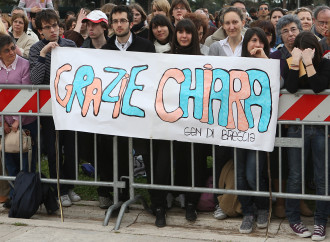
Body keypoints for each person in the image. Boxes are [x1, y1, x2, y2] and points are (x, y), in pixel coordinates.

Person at [101, 4, 155, 204]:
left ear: (131, 23)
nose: (119, 24)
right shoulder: (105, 49)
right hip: (115, 111)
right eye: (115, 21)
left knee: (146, 150)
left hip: (140, 109)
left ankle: (155, 196)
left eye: (123, 20)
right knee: (118, 150)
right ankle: (120, 194)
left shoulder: (146, 46)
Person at [29, 9, 80, 207]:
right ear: (40, 31)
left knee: (71, 148)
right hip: (49, 109)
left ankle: (69, 185)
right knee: (53, 149)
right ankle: (59, 188)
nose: (53, 30)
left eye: (55, 26)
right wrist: (44, 54)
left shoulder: (70, 45)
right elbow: (35, 79)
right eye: (48, 27)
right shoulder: (35, 49)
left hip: (69, 105)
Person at [284, 31, 330, 241]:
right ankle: (293, 218)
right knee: (295, 175)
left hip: (321, 130)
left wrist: (310, 64)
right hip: (296, 127)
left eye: (307, 51)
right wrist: (295, 63)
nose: (303, 55)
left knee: (322, 176)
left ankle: (321, 221)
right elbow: (292, 87)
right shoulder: (293, 62)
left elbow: (319, 86)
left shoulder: (326, 64)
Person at [170, 18, 208, 225]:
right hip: (173, 120)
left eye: (188, 32)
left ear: (194, 36)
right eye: (180, 32)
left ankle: (193, 202)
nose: (183, 36)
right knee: (181, 160)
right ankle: (180, 196)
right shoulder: (165, 58)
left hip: (197, 121)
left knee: (197, 161)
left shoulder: (203, 58)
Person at [236, 27, 270, 234]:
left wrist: (265, 58)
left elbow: (280, 83)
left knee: (253, 173)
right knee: (240, 174)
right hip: (237, 127)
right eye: (253, 41)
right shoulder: (236, 65)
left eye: (261, 42)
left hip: (258, 130)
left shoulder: (270, 63)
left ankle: (263, 208)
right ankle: (248, 212)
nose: (256, 45)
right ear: (246, 43)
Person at [0, 34, 37, 206]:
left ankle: (24, 196)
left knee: (25, 164)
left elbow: (26, 93)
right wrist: (2, 122)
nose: (11, 52)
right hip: (4, 123)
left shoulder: (25, 64)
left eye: (13, 48)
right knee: (8, 161)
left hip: (25, 122)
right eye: (6, 50)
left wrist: (16, 120)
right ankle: (15, 195)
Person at [80, 10, 111, 209]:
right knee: (92, 150)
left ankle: (112, 189)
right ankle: (103, 187)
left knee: (111, 149)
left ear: (104, 27)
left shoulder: (115, 49)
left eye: (95, 24)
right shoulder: (81, 49)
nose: (91, 28)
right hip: (90, 110)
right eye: (88, 24)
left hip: (111, 109)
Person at [269, 15, 302, 84]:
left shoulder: (308, 53)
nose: (290, 34)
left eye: (293, 29)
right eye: (285, 31)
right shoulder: (274, 58)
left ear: (299, 30)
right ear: (280, 35)